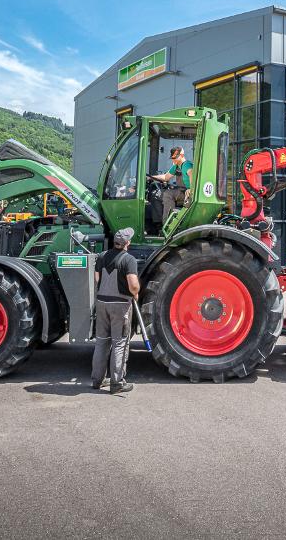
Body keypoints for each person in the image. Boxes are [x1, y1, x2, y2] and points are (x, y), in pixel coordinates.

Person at [91, 227, 140, 394]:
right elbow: (133, 284)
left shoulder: (102, 256)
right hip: (120, 305)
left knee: (102, 341)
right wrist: (136, 293)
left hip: (102, 302)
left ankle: (97, 380)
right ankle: (117, 382)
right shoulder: (129, 260)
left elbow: (97, 279)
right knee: (119, 343)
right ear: (128, 243)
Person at [149, 146, 193, 224]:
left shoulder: (187, 164)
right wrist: (150, 177)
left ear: (182, 155)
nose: (173, 159)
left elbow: (191, 173)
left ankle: (168, 224)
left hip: (188, 193)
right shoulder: (176, 166)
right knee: (156, 194)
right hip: (181, 191)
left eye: (175, 157)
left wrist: (191, 188)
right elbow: (166, 177)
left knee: (168, 194)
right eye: (172, 158)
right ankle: (158, 223)